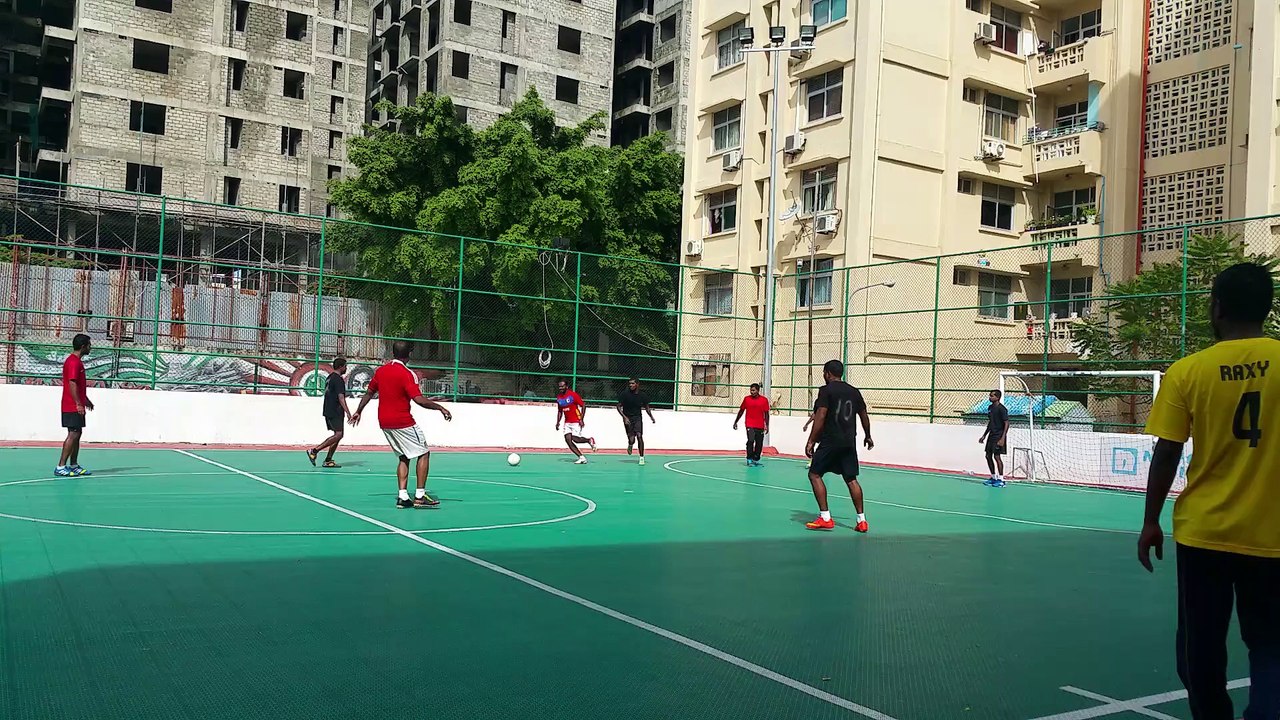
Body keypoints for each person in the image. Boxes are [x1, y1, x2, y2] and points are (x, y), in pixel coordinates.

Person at [1139, 262, 1280, 720]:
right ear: (1268, 307)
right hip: (1273, 538)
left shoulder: (1187, 371)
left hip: (1205, 537)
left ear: (1216, 308)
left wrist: (1149, 521)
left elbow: (1166, 453)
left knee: (1200, 649)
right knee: (1272, 644)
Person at [350, 341, 452, 508]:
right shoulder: (407, 373)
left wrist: (358, 411)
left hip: (384, 422)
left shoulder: (381, 371)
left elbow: (369, 392)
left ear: (393, 353)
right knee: (424, 453)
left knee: (403, 456)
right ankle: (419, 496)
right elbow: (418, 399)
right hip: (402, 421)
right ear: (409, 355)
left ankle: (403, 497)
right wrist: (440, 407)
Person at [803, 359, 873, 532]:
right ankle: (861, 520)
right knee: (851, 479)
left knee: (814, 474)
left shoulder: (825, 391)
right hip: (849, 441)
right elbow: (863, 415)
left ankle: (825, 517)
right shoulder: (854, 392)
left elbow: (821, 415)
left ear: (827, 373)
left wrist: (811, 440)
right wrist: (868, 436)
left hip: (830, 441)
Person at [55, 333, 94, 477]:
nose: (91, 348)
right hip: (71, 405)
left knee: (77, 433)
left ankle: (74, 464)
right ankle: (60, 466)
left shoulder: (77, 362)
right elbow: (72, 383)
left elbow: (78, 385)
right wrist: (78, 403)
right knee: (73, 433)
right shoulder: (73, 362)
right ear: (83, 346)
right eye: (89, 345)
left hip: (76, 404)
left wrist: (85, 400)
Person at [307, 357, 351, 468]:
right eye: (345, 366)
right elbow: (341, 397)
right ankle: (314, 451)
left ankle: (328, 460)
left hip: (329, 409)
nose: (346, 368)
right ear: (341, 367)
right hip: (335, 410)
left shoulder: (330, 377)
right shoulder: (338, 379)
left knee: (338, 435)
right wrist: (348, 412)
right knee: (338, 434)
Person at [616, 378, 656, 466]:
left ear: (637, 384)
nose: (631, 385)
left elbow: (647, 407)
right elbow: (618, 406)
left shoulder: (642, 395)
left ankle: (641, 457)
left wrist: (651, 417)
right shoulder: (624, 394)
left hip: (637, 418)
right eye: (630, 384)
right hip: (628, 418)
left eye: (633, 383)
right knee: (632, 439)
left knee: (639, 435)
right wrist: (624, 417)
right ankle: (630, 445)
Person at [555, 379, 595, 464]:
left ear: (567, 386)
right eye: (559, 386)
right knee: (568, 440)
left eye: (562, 386)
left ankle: (589, 440)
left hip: (576, 420)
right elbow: (560, 411)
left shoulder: (573, 395)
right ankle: (581, 457)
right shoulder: (559, 397)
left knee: (575, 439)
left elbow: (583, 405)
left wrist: (581, 419)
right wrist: (558, 422)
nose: (560, 388)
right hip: (567, 422)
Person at [732, 383, 770, 466]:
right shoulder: (747, 399)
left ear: (758, 390)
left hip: (760, 425)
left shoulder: (764, 400)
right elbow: (741, 411)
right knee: (750, 440)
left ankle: (756, 458)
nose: (752, 392)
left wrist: (767, 425)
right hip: (750, 424)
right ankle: (749, 458)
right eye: (751, 390)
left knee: (759, 443)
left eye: (753, 390)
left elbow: (766, 413)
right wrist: (736, 421)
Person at [979, 389, 1009, 487]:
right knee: (988, 456)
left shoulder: (1002, 409)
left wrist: (1002, 438)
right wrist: (984, 435)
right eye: (990, 395)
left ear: (997, 397)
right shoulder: (990, 407)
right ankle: (993, 477)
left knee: (997, 457)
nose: (990, 397)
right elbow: (990, 423)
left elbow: (1007, 423)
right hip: (991, 435)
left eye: (992, 396)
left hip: (999, 436)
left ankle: (1001, 480)